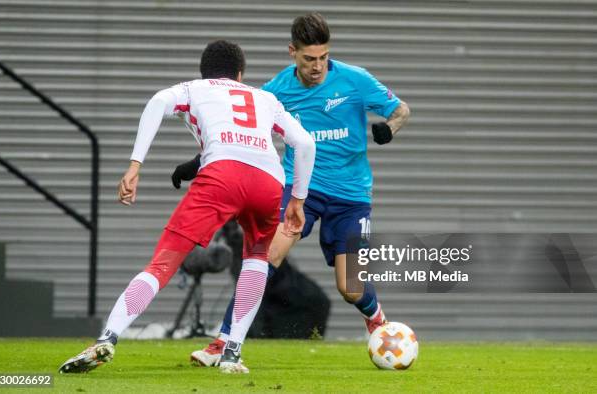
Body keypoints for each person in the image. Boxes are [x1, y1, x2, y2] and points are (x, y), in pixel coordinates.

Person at [58, 40, 315, 375]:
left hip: (222, 175)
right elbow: (305, 143)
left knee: (162, 263)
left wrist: (135, 165)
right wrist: (298, 199)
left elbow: (156, 102)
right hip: (269, 181)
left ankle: (108, 337)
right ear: (240, 74)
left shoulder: (194, 89)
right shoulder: (266, 98)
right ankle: (232, 354)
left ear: (204, 72)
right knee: (256, 258)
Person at [178, 13, 410, 367]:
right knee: (265, 256)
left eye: (323, 57)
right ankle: (223, 342)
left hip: (351, 197)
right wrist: (196, 164)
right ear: (292, 52)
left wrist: (389, 129)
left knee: (350, 287)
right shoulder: (275, 92)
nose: (317, 67)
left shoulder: (355, 80)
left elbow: (402, 110)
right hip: (300, 189)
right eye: (309, 59)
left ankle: (376, 320)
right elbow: (238, 133)